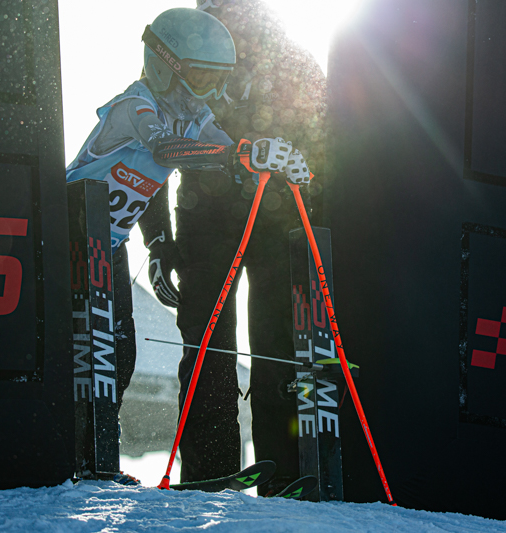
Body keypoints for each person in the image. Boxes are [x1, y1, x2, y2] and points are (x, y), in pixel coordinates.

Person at [64, 7, 304, 485]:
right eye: (200, 78)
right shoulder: (135, 106)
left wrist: (274, 160)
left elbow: (227, 150)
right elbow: (166, 150)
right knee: (88, 351)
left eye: (218, 81)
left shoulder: (193, 117)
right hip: (68, 233)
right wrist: (239, 154)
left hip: (108, 244)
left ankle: (94, 461)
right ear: (165, 65)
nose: (209, 93)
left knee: (120, 352)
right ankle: (75, 456)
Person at [161, 0, 327, 494]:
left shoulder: (292, 58)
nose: (226, 19)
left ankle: (286, 472)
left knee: (278, 348)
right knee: (207, 348)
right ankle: (208, 471)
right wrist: (157, 240)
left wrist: (314, 205)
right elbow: (144, 145)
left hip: (276, 220)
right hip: (204, 221)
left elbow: (329, 146)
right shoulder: (182, 50)